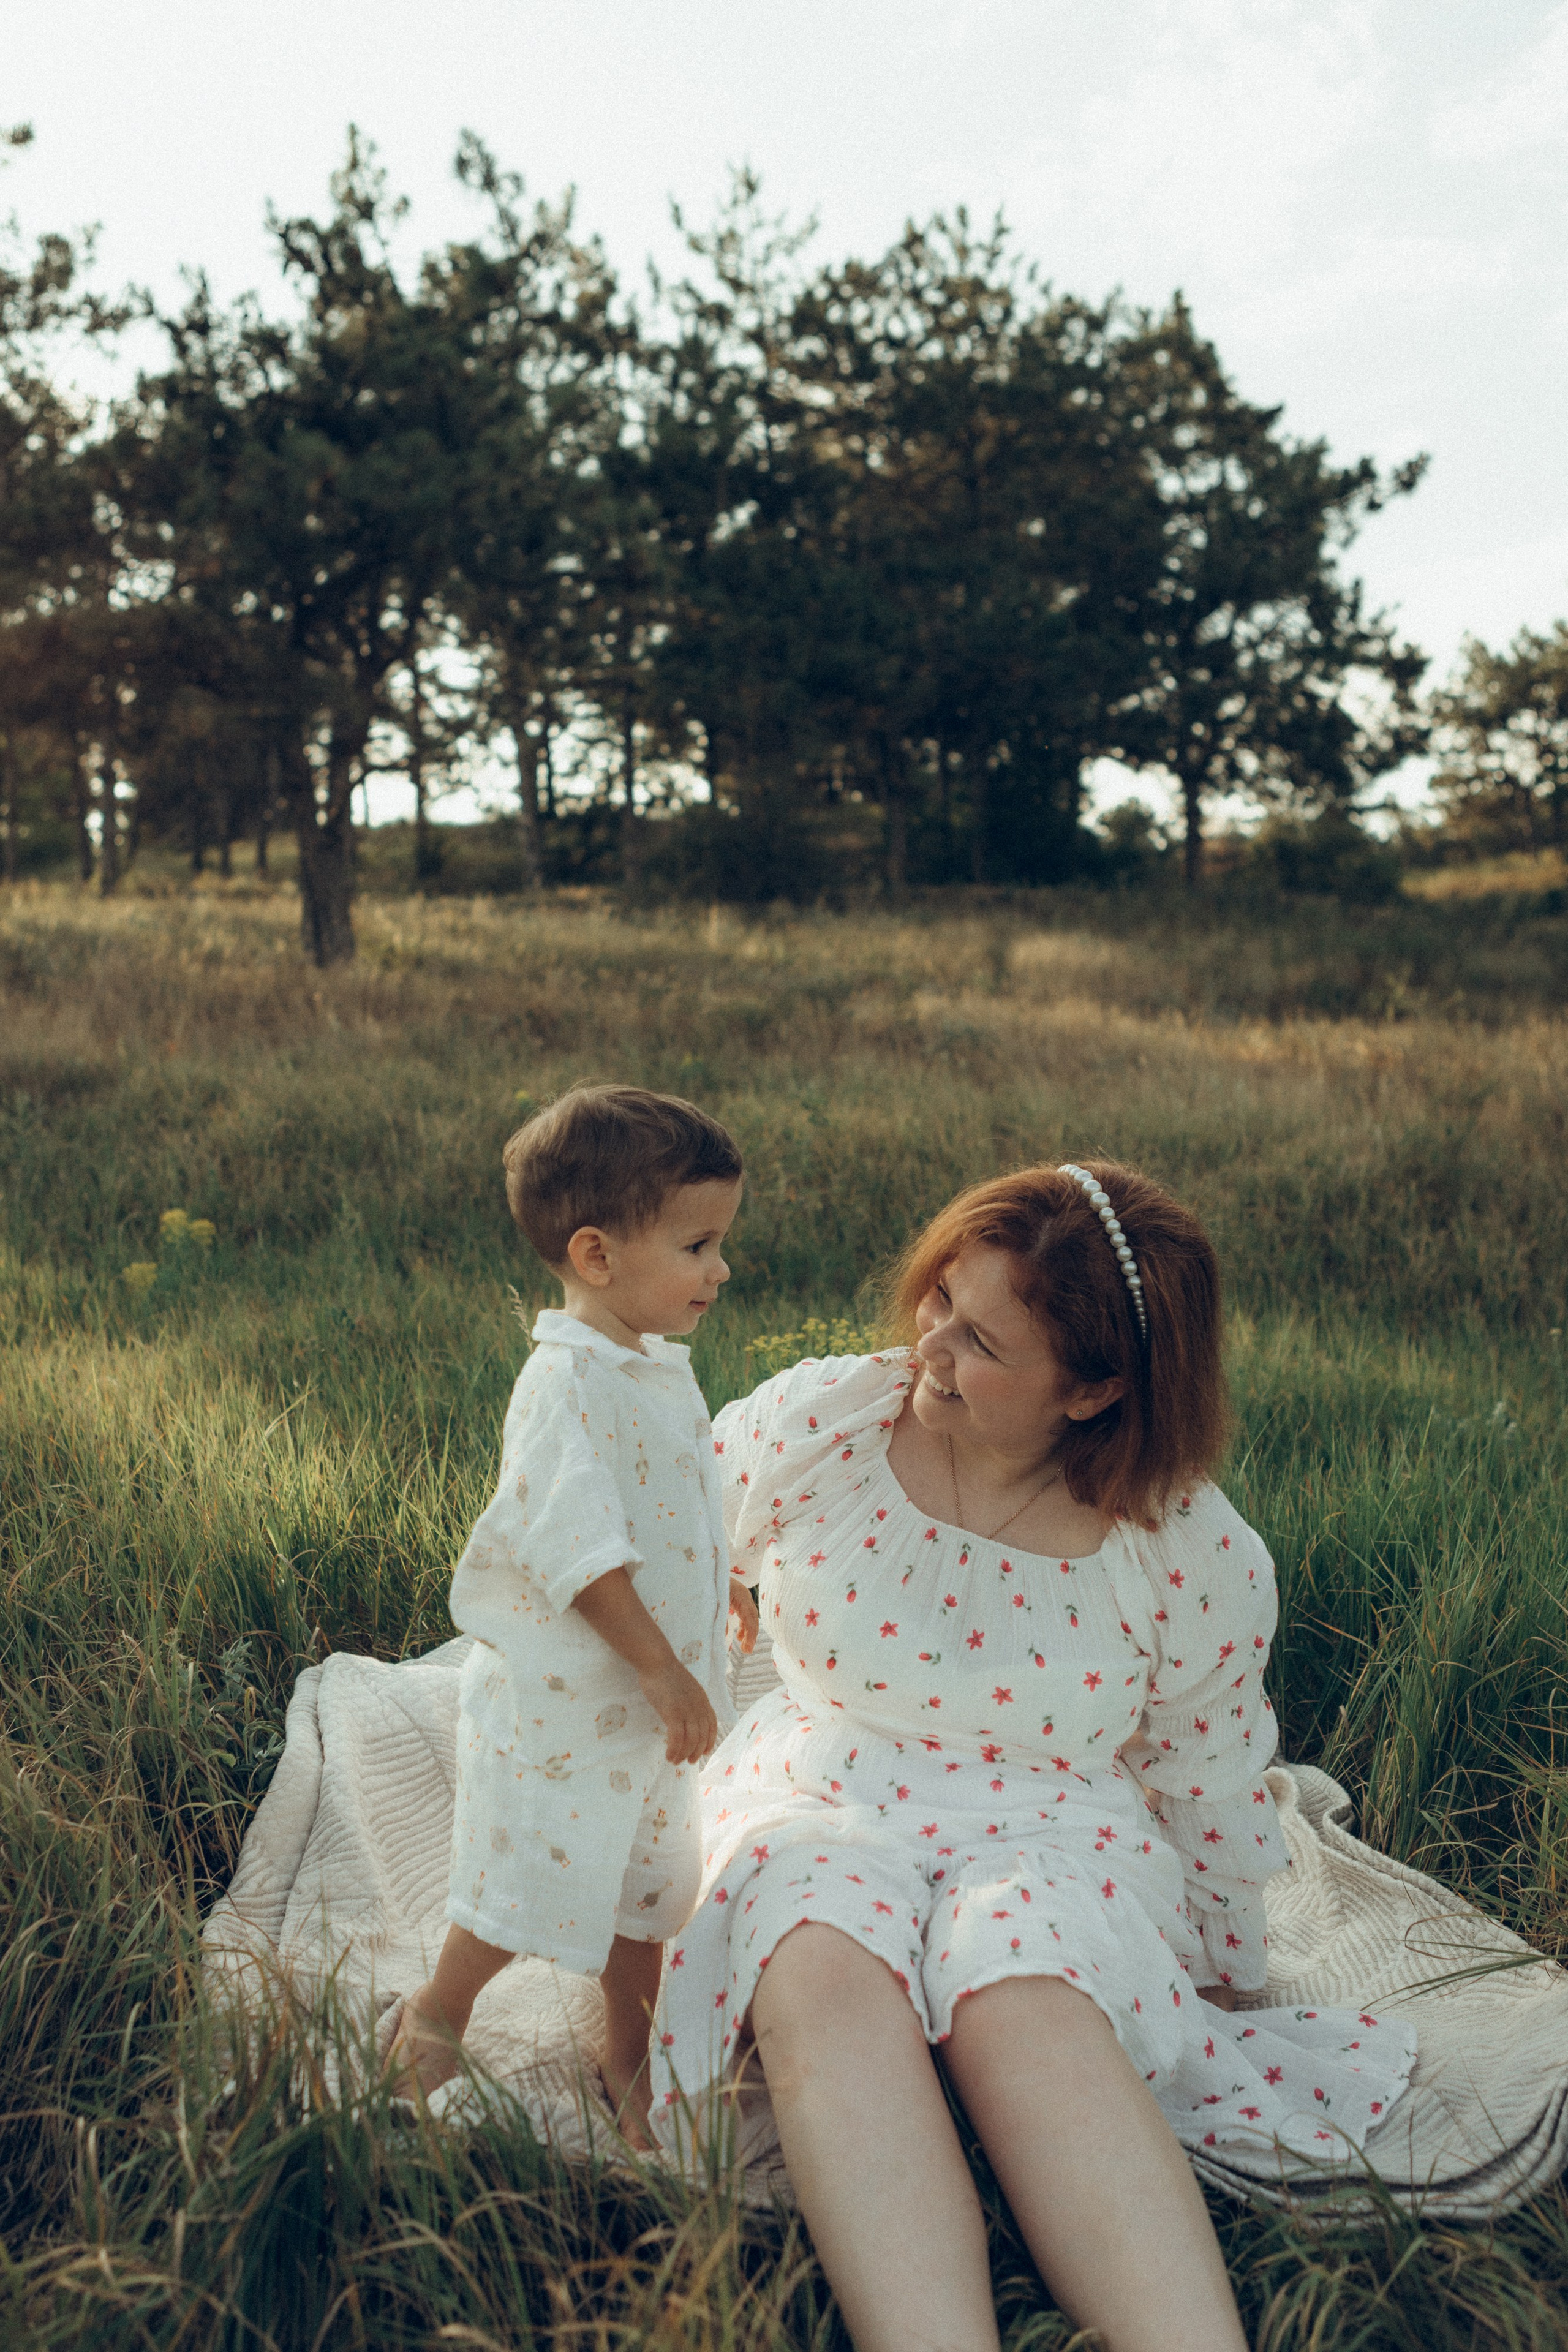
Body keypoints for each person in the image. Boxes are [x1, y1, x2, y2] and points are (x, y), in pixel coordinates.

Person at [650, 1161, 1414, 2352]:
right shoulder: (823, 1428)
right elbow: (669, 1542)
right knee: (817, 1953)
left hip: (1050, 1822)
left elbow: (1202, 1767)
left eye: (984, 1344)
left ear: (1095, 1388)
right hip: (821, 1774)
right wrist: (717, 1604)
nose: (931, 1352)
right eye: (937, 1303)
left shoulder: (1180, 1546)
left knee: (1016, 1986)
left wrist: (1226, 1963)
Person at [391, 1085, 760, 2139]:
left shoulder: (649, 1367)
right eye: (698, 1245)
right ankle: (442, 2012)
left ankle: (631, 2047)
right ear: (597, 1256)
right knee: (529, 1875)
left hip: (649, 1715)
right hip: (572, 1703)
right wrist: (657, 1664)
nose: (720, 1269)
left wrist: (720, 1578)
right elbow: (577, 1550)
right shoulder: (563, 1386)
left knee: (653, 1889)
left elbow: (676, 1502)